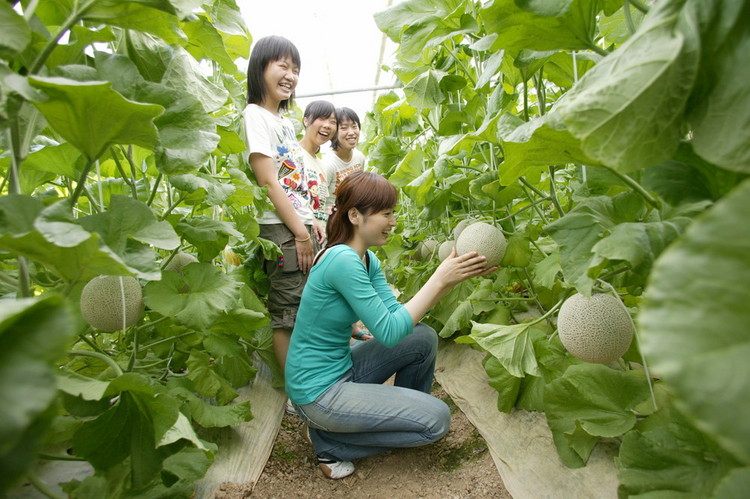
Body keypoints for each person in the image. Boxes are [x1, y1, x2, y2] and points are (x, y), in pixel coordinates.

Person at [285, 171, 496, 479]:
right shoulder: (342, 259)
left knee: (421, 337)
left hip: (341, 371)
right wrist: (440, 278)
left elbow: (398, 316)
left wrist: (452, 279)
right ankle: (331, 442)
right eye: (386, 213)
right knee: (436, 421)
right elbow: (389, 331)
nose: (393, 221)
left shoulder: (367, 259)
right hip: (319, 394)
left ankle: (401, 411)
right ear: (355, 215)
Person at [244, 35, 324, 374]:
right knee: (289, 313)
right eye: (282, 66)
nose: (291, 75)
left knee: (308, 306)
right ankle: (297, 393)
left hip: (299, 225)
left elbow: (296, 180)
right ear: (261, 68)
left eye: (296, 69)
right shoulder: (254, 116)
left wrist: (313, 221)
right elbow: (268, 182)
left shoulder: (284, 124)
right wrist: (300, 234)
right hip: (282, 229)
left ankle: (310, 378)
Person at [298, 100, 338, 232]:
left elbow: (321, 205)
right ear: (305, 121)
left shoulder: (321, 164)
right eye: (321, 118)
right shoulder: (294, 154)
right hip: (301, 230)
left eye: (333, 122)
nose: (327, 125)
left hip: (319, 234)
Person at [321, 107, 367, 211]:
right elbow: (319, 201)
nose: (351, 132)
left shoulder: (359, 157)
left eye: (354, 126)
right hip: (331, 221)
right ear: (333, 132)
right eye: (344, 128)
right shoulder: (328, 164)